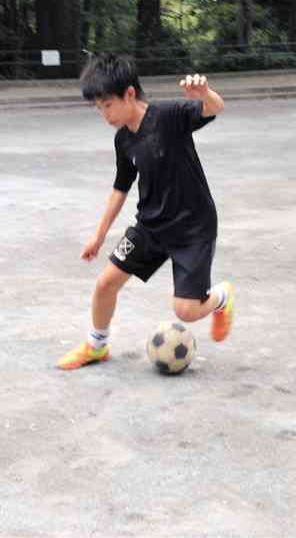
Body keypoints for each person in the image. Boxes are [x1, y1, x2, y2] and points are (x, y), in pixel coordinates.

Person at [57, 53, 235, 370]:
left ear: (129, 93)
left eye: (107, 105)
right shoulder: (123, 139)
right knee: (105, 284)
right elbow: (120, 187)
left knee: (186, 311)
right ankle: (96, 346)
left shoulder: (168, 114)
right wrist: (98, 236)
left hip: (193, 228)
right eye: (99, 108)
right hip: (151, 227)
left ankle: (221, 297)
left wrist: (204, 94)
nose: (104, 114)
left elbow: (216, 107)